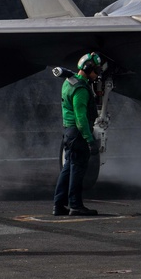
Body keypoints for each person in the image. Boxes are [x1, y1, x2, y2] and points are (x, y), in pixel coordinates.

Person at [53, 52, 103, 216]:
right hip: (77, 133)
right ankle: (75, 205)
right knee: (77, 169)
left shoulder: (70, 81)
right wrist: (90, 140)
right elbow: (81, 118)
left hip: (69, 132)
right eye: (96, 69)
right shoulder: (80, 89)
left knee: (67, 169)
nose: (97, 73)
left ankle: (59, 205)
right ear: (88, 68)